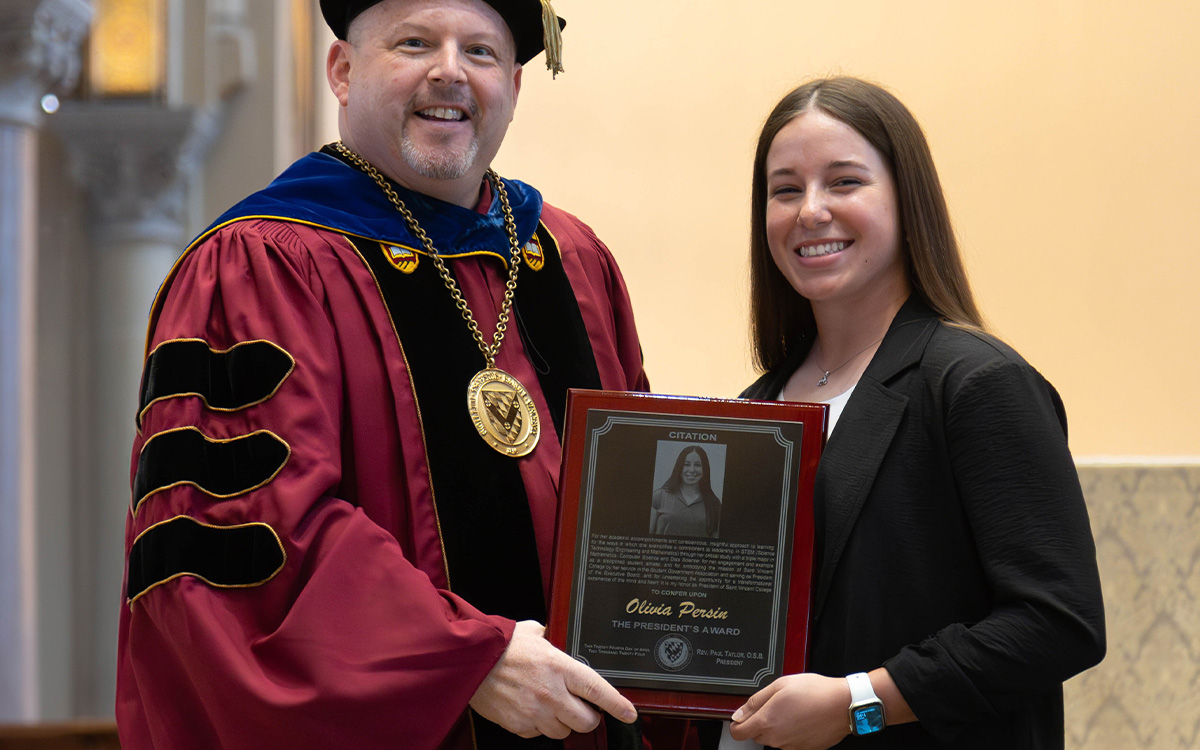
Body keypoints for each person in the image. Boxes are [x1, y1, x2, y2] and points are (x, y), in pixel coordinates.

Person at [116, 1, 656, 748]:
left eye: (482, 52)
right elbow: (247, 536)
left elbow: (638, 508)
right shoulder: (262, 263)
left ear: (515, 88)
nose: (450, 71)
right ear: (342, 71)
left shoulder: (571, 257)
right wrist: (465, 658)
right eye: (414, 42)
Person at [725, 77, 1105, 749]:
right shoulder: (756, 410)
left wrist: (857, 703)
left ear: (908, 199)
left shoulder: (979, 383)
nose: (810, 211)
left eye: (844, 182)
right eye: (785, 189)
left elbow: (1059, 622)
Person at [649, 445, 721, 538]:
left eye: (697, 465)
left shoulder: (714, 504)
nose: (692, 470)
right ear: (679, 467)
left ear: (705, 469)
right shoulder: (658, 497)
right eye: (686, 464)